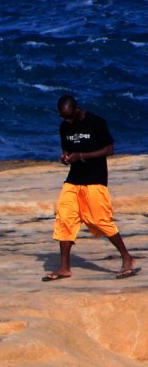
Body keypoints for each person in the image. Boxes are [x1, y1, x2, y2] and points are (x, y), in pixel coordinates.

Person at [49, 93, 136, 281]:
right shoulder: (64, 126)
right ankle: (64, 267)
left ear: (77, 109)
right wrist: (65, 157)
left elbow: (109, 150)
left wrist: (80, 156)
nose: (68, 120)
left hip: (95, 179)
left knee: (100, 220)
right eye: (64, 118)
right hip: (73, 180)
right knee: (64, 218)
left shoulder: (96, 122)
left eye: (70, 116)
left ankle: (127, 258)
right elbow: (67, 149)